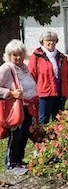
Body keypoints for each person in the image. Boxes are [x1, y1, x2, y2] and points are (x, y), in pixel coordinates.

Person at [0, 40, 37, 175]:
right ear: (9, 55)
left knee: (24, 135)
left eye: (20, 54)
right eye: (14, 55)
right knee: (15, 136)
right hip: (15, 108)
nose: (18, 57)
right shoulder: (6, 68)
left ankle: (19, 161)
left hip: (28, 107)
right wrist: (10, 93)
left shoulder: (24, 67)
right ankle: (10, 164)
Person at [28, 32, 68, 125]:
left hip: (60, 94)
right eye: (48, 40)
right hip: (44, 95)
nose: (51, 42)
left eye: (53, 40)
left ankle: (56, 139)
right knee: (43, 120)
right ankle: (42, 139)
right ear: (42, 42)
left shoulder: (61, 57)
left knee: (59, 120)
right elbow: (31, 76)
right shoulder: (36, 57)